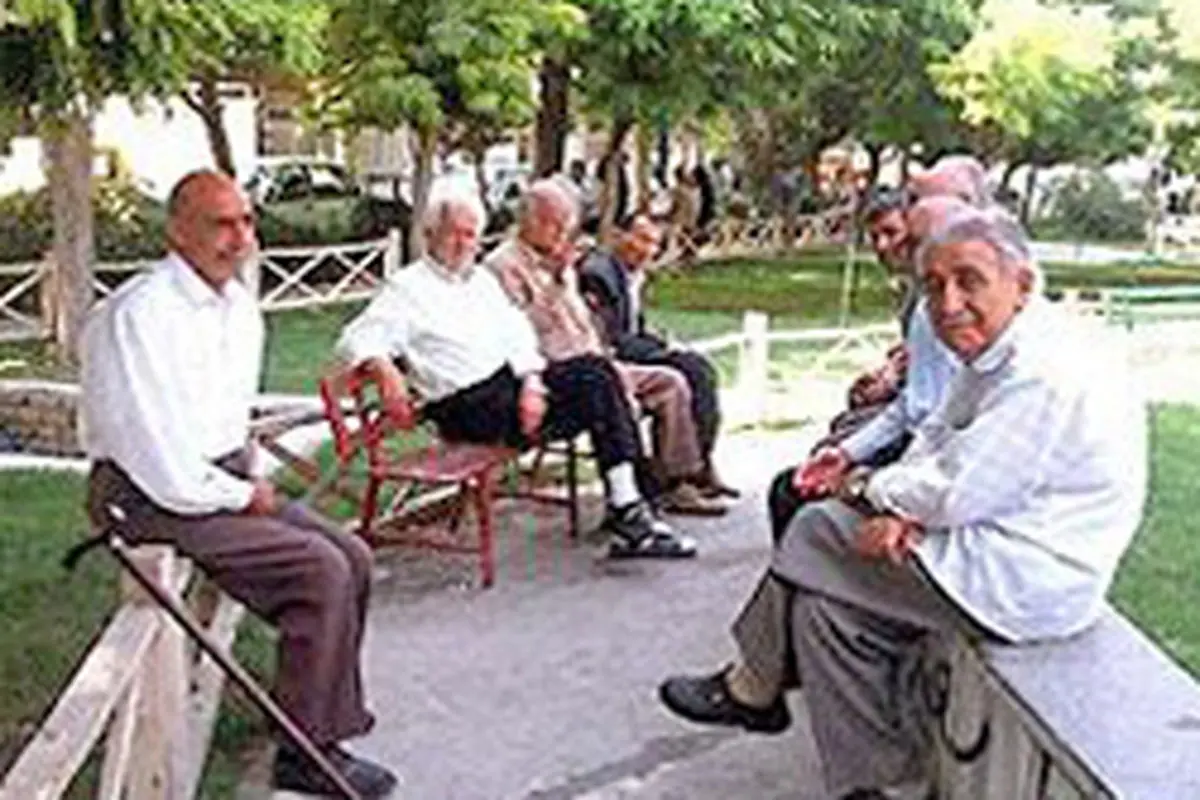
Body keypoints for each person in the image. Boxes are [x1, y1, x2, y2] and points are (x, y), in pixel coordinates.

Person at [658, 206, 1146, 800]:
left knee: (815, 527)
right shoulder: (1001, 348)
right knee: (823, 614)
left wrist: (866, 490)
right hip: (991, 534)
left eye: (968, 281)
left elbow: (956, 492)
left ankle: (755, 685)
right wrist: (894, 503)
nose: (948, 303)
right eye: (934, 285)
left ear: (1021, 284)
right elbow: (936, 436)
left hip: (1024, 580)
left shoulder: (1044, 370)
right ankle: (873, 787)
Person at [80, 170, 397, 799]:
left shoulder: (237, 306)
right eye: (220, 224)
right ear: (177, 231)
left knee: (352, 555)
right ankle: (306, 754)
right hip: (147, 496)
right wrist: (243, 495)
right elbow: (159, 461)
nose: (239, 237)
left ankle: (318, 726)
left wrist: (246, 476)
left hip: (212, 481)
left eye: (246, 222)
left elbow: (224, 418)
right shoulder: (140, 314)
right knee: (317, 570)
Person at [335, 190, 697, 560]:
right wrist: (384, 370)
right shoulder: (408, 288)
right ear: (429, 235)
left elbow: (517, 334)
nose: (463, 244)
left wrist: (532, 383)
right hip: (465, 408)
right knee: (598, 386)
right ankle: (631, 511)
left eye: (470, 234)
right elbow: (355, 338)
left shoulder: (479, 281)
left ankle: (628, 506)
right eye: (453, 233)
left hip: (509, 392)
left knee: (598, 375)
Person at [766, 156, 994, 543]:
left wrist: (865, 483)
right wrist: (847, 455)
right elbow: (919, 406)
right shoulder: (927, 305)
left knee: (800, 502)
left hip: (963, 520)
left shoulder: (996, 325)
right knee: (808, 476)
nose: (895, 242)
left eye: (919, 201)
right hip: (925, 451)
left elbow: (960, 463)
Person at [485, 178, 727, 516]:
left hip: (596, 359)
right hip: (558, 373)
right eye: (556, 226)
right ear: (531, 221)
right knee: (616, 391)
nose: (563, 235)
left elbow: (583, 322)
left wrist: (563, 279)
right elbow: (524, 332)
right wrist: (555, 282)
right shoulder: (504, 267)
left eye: (566, 227)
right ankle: (637, 493)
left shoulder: (558, 262)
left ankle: (676, 479)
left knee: (672, 383)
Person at [578, 214, 738, 499]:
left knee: (700, 370)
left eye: (655, 243)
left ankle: (701, 465)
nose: (648, 250)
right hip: (610, 356)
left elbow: (636, 326)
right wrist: (662, 352)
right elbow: (611, 337)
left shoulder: (633, 275)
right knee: (688, 372)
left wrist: (665, 344)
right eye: (642, 239)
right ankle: (679, 478)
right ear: (618, 236)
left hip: (631, 348)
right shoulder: (598, 274)